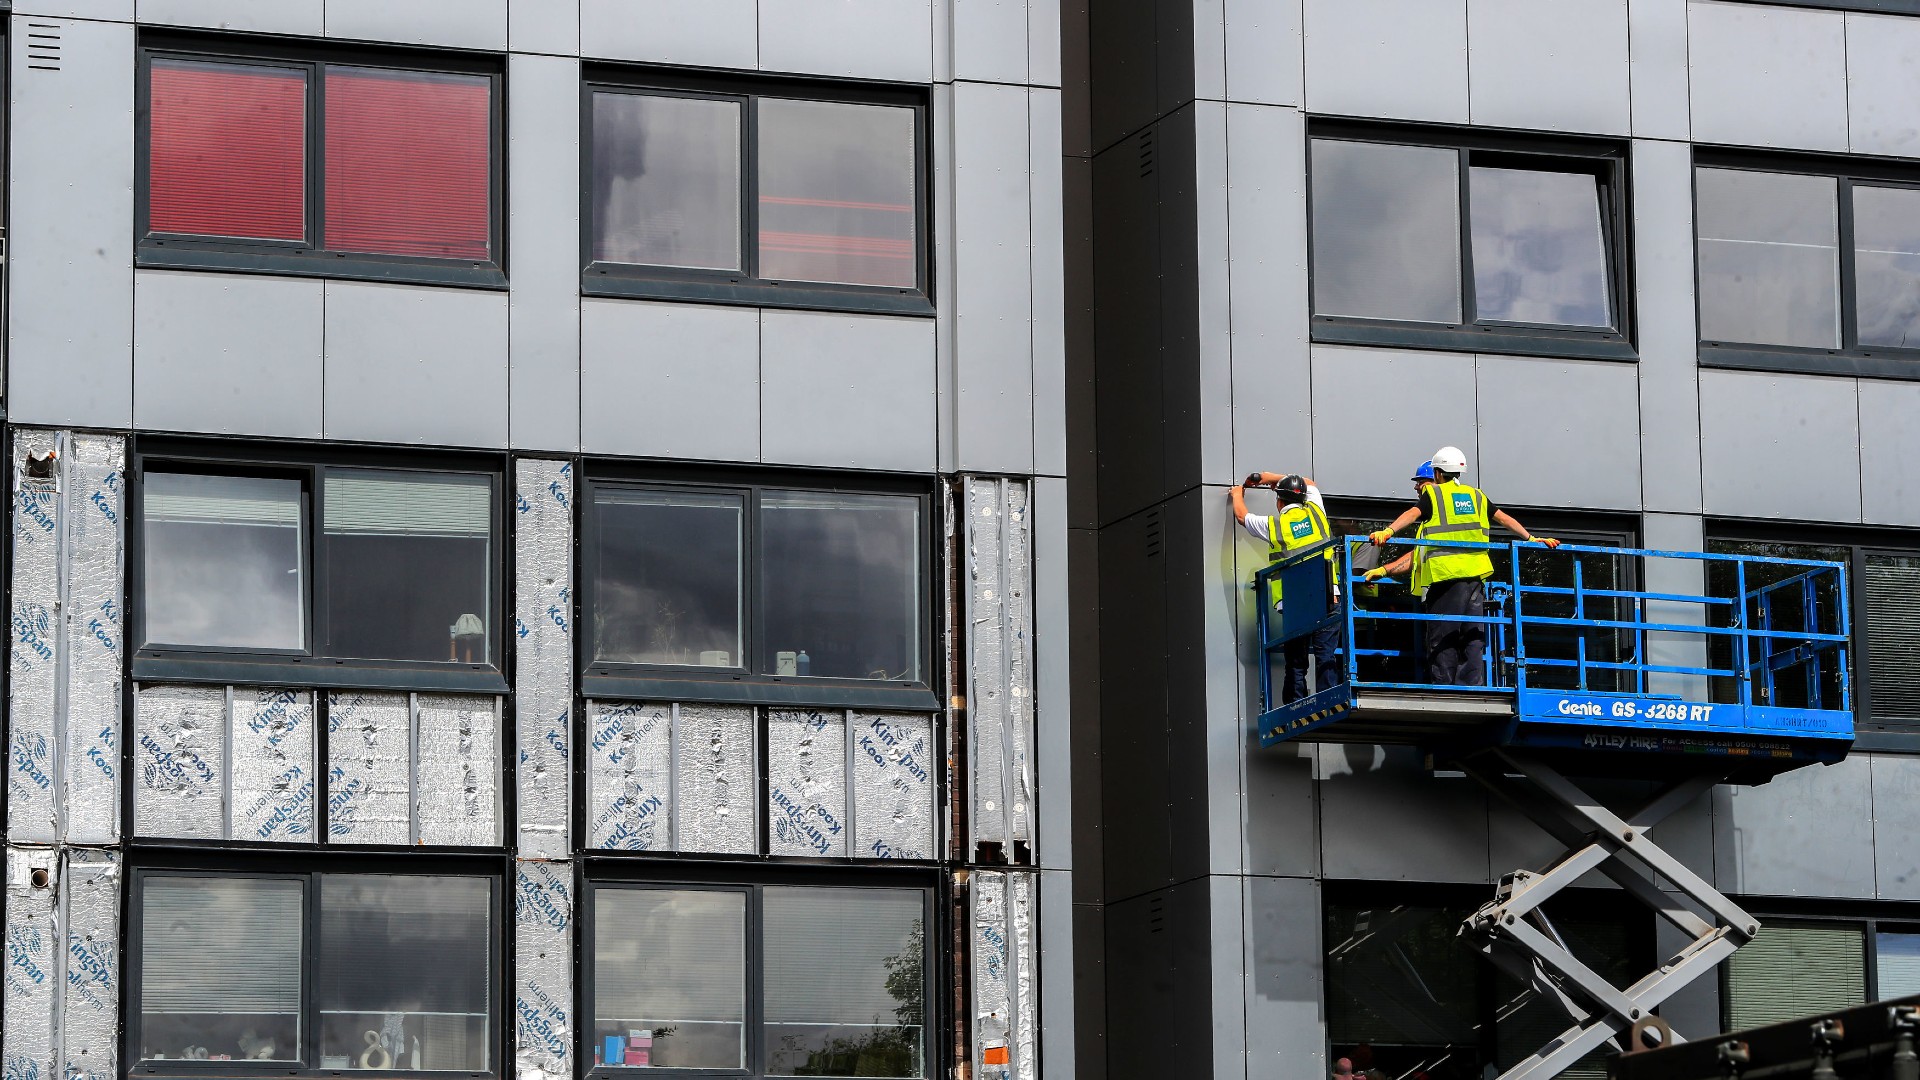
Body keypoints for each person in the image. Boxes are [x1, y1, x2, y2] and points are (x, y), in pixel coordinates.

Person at [1365, 446, 1558, 686]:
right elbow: (1503, 518)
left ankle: (1444, 687)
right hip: (1475, 577)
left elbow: (1411, 514)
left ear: (1437, 474)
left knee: (1443, 635)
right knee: (1472, 635)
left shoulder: (1434, 496)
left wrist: (1388, 531)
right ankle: (1471, 687)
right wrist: (1530, 538)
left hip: (1446, 577)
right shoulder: (1476, 495)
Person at [1231, 471, 1346, 702]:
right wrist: (1269, 478)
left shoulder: (1274, 525)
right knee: (1326, 655)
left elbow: (1242, 517)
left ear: (1279, 502)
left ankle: (1295, 702)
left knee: (1296, 660)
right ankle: (1328, 699)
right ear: (1303, 497)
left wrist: (1237, 493)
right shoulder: (1316, 511)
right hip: (1328, 596)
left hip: (1295, 602)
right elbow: (1310, 483)